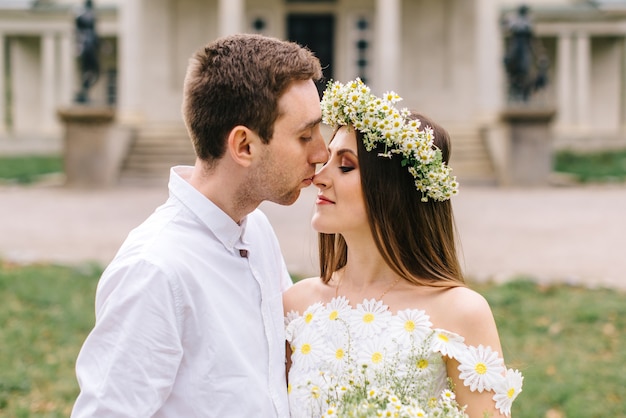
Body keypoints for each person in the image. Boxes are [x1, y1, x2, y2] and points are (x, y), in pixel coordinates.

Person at [71, 34, 328, 417]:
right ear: (243, 146)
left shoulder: (256, 230)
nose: (321, 152)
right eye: (305, 135)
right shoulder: (154, 271)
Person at [284, 79, 523, 417]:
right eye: (326, 160)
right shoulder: (296, 305)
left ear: (393, 189)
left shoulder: (460, 313)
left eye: (346, 165)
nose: (320, 176)